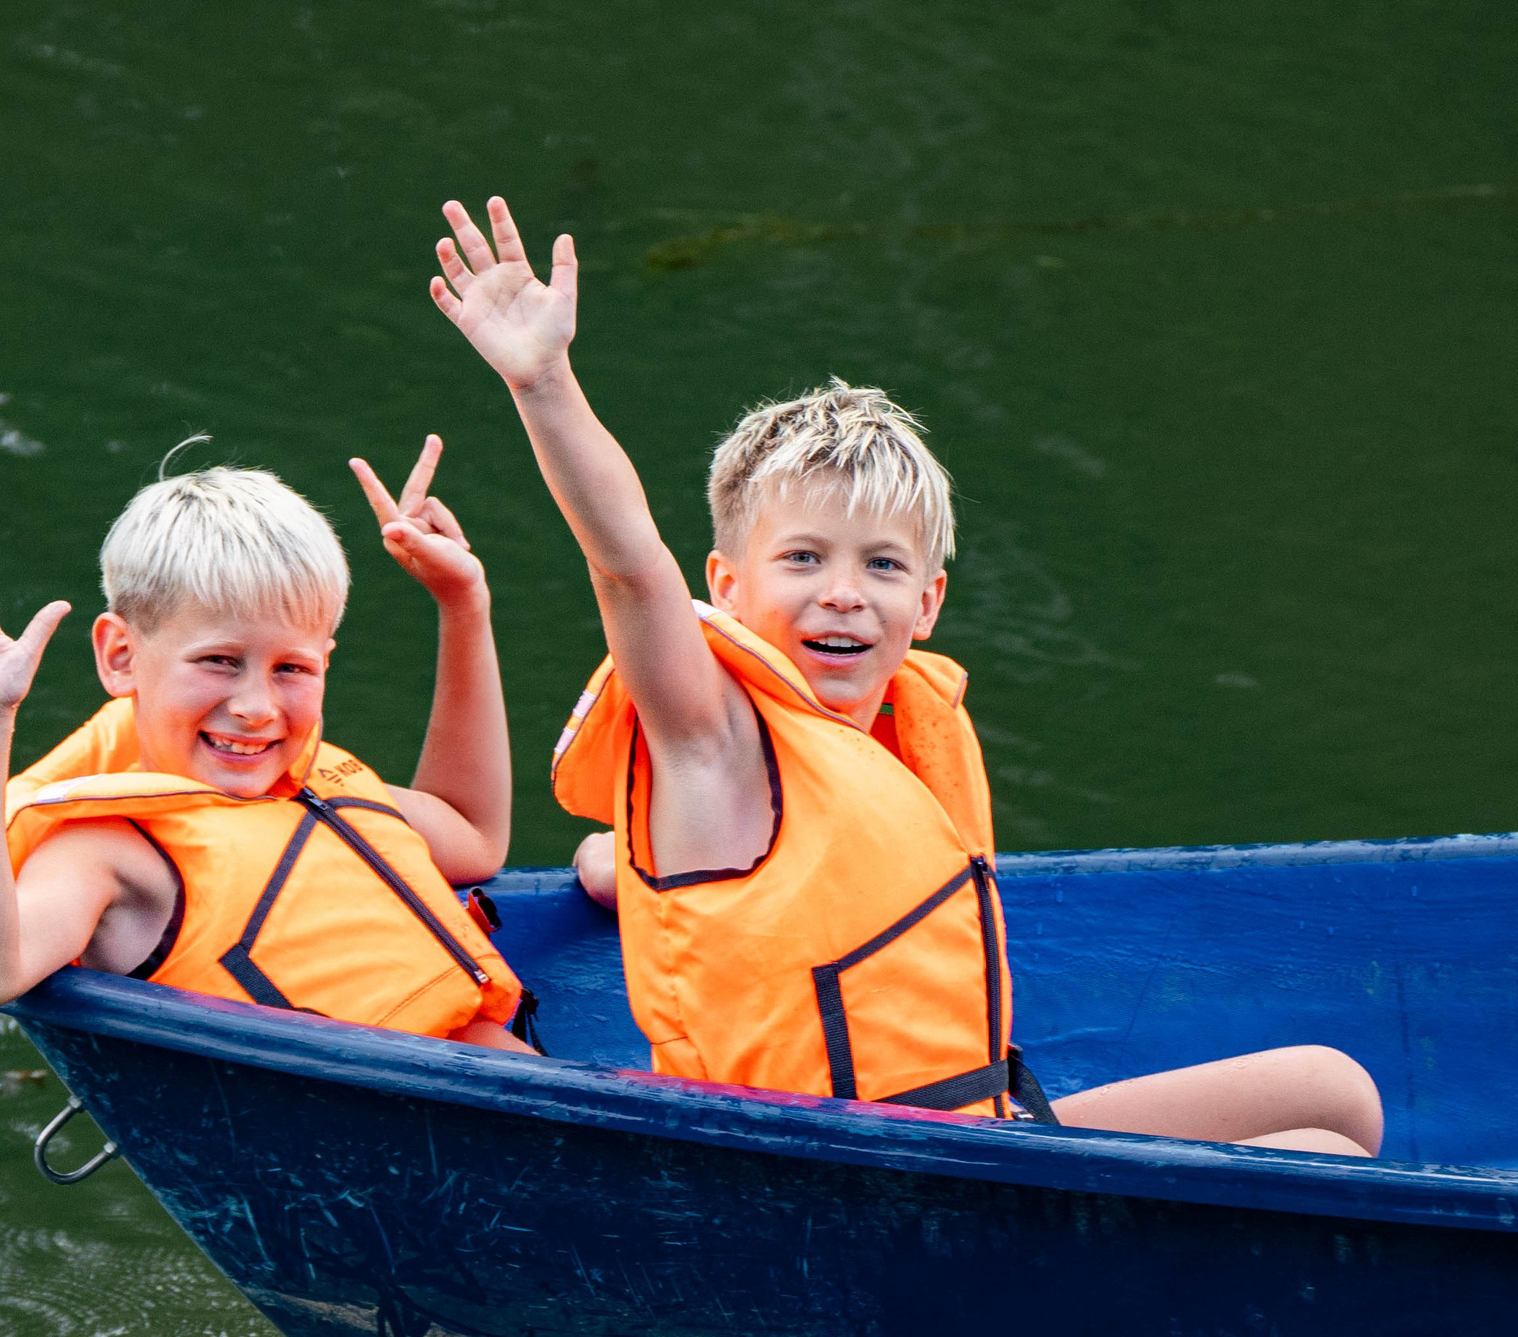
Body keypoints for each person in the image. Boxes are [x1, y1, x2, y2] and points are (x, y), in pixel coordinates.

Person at [426, 196, 1378, 1149]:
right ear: (723, 585)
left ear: (926, 603)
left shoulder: (885, 742)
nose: (844, 595)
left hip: (977, 1138)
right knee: (1325, 1156)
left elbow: (710, 884)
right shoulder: (708, 739)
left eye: (882, 565)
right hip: (840, 1178)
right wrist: (543, 381)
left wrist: (618, 871)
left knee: (1336, 1090)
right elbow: (628, 563)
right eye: (802, 559)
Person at [0, 436, 536, 1053]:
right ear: (121, 656)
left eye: (292, 669)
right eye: (219, 661)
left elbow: (474, 837)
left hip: (501, 1100)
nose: (257, 708)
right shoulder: (109, 855)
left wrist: (462, 604)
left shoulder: (322, 788)